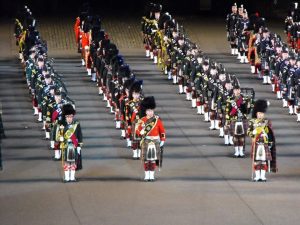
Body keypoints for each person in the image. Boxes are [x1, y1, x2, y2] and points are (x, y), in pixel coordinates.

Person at [247, 99, 277, 181]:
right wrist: (253, 132)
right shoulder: (252, 122)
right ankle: (257, 176)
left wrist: (270, 142)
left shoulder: (267, 122)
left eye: (262, 113)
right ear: (256, 114)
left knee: (263, 160)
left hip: (264, 143)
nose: (260, 115)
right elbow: (248, 132)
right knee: (257, 161)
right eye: (259, 113)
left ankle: (263, 176)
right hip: (256, 143)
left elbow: (270, 134)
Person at [137, 96, 166, 181]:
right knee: (146, 160)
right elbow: (137, 130)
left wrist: (163, 140)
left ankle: (152, 175)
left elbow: (162, 131)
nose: (150, 112)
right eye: (148, 111)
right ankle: (147, 175)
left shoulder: (157, 120)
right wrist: (141, 131)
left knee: (153, 160)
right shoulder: (142, 120)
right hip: (146, 141)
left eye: (152, 110)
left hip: (155, 141)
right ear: (145, 111)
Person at [59, 104, 83, 182]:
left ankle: (72, 177)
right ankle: (67, 177)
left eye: (71, 117)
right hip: (65, 145)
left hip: (74, 145)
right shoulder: (62, 124)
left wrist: (79, 145)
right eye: (68, 117)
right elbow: (58, 134)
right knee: (66, 162)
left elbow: (79, 134)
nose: (69, 118)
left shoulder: (76, 124)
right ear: (65, 117)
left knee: (73, 162)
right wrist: (60, 137)